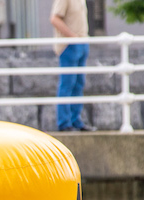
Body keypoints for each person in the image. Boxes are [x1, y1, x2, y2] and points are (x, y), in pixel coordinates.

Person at [50, 0, 92, 132]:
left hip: (82, 42)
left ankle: (76, 120)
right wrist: (73, 36)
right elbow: (54, 19)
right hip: (69, 44)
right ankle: (64, 122)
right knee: (68, 84)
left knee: (78, 84)